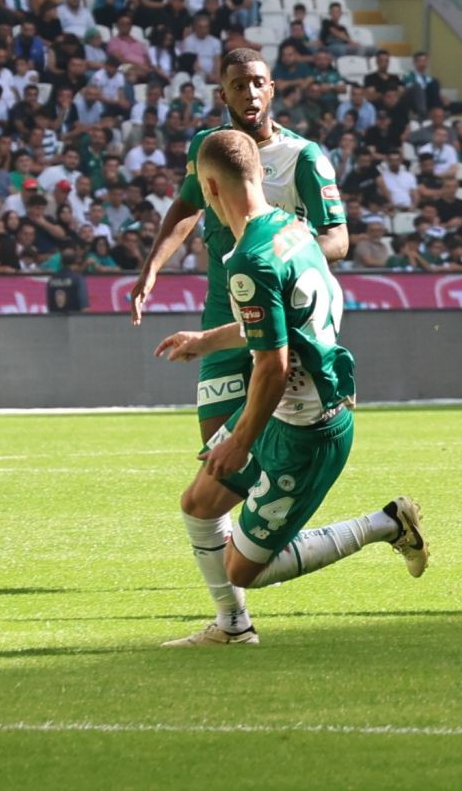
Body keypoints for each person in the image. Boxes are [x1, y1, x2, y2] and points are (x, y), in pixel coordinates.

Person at [153, 130, 426, 647]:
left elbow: (273, 367)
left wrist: (239, 441)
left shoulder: (249, 260)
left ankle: (386, 524)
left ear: (209, 187)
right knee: (199, 504)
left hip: (307, 430)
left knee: (241, 570)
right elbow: (283, 323)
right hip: (286, 413)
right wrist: (208, 341)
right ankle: (233, 629)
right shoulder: (292, 228)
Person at [129, 48, 349, 449]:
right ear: (223, 96)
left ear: (271, 90)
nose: (249, 93)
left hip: (281, 310)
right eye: (238, 86)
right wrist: (152, 268)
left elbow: (338, 239)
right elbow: (186, 205)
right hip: (221, 311)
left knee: (281, 449)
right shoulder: (208, 148)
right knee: (216, 454)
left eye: (257, 84)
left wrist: (286, 256)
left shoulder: (302, 156)